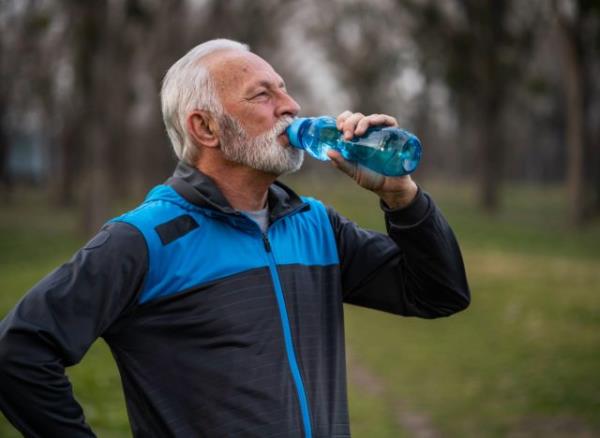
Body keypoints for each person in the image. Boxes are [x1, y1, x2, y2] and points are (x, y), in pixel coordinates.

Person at [0, 39, 470, 438]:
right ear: (204, 127)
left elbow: (438, 293)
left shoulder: (316, 226)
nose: (290, 107)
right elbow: (18, 354)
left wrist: (400, 195)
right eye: (261, 96)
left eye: (284, 91)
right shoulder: (143, 240)